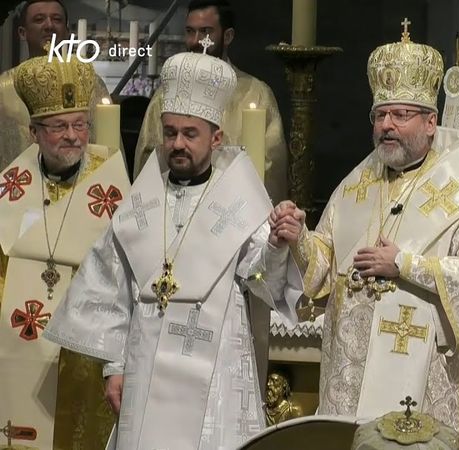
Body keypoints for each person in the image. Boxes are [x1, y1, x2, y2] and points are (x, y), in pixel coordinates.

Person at [43, 46, 302, 449]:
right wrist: (115, 365)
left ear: (216, 137)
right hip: (145, 362)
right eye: (169, 133)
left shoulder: (240, 199)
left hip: (215, 365)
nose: (177, 143)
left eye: (190, 133)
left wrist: (276, 244)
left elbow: (259, 278)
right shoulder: (143, 201)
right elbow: (114, 283)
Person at [271, 24, 459, 449]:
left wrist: (405, 265)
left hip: (424, 369)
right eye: (380, 115)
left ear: (431, 121)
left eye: (400, 115)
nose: (387, 126)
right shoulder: (357, 183)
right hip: (354, 366)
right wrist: (299, 240)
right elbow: (327, 254)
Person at [0, 54, 129, 449]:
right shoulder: (10, 189)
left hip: (86, 358)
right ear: (33, 132)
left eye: (79, 124)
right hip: (20, 348)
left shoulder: (113, 188)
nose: (73, 136)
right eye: (58, 127)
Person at [133, 0, 287, 201]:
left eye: (206, 32)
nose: (196, 41)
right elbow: (148, 156)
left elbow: (271, 169)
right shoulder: (166, 93)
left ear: (228, 36)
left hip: (235, 211)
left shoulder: (255, 94)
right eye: (190, 31)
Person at [0, 0, 112, 171]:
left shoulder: (90, 82)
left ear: (67, 32)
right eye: (39, 19)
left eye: (57, 19)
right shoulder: (3, 88)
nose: (49, 25)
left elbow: (107, 144)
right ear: (22, 33)